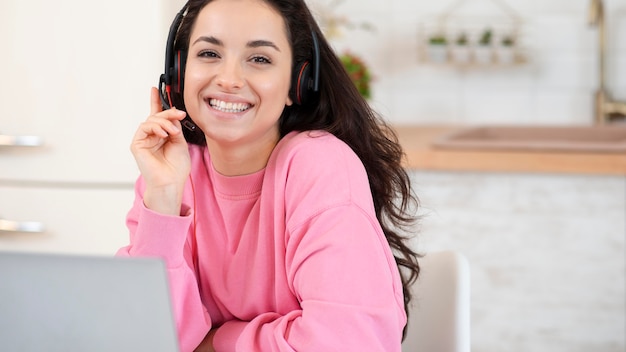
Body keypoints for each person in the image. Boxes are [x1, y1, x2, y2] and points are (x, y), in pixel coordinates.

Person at [117, 0, 420, 351]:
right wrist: (163, 199)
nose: (228, 79)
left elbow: (352, 342)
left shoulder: (318, 164)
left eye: (259, 59)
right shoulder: (170, 173)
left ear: (298, 83)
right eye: (209, 53)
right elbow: (141, 337)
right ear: (179, 71)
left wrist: (219, 341)